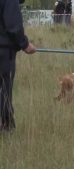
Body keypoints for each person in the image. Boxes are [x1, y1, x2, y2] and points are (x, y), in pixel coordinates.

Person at [0, 0, 36, 131]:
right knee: (4, 90)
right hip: (3, 53)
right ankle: (6, 126)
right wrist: (25, 44)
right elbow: (13, 25)